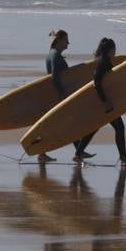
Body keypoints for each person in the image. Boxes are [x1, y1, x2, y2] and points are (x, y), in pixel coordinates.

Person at [74, 37, 126, 168]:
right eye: (114, 50)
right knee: (119, 128)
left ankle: (78, 154)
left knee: (94, 127)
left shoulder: (101, 60)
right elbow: (97, 82)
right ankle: (124, 159)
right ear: (110, 50)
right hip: (105, 103)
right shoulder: (104, 62)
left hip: (102, 101)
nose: (115, 52)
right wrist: (105, 101)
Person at [41, 29, 73, 163]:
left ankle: (42, 152)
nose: (68, 43)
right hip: (56, 96)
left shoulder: (52, 54)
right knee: (63, 123)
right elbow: (54, 76)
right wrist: (62, 94)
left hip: (53, 95)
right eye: (66, 40)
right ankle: (41, 152)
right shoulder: (55, 55)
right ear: (59, 41)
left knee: (66, 123)